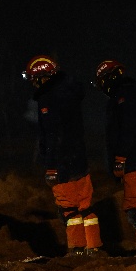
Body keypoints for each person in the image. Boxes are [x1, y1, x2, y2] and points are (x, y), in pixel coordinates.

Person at [22, 55, 105, 257]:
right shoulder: (70, 93)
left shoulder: (48, 98)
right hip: (79, 159)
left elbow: (52, 135)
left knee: (68, 209)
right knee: (86, 206)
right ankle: (93, 247)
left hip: (61, 162)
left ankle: (77, 249)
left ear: (42, 77)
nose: (33, 83)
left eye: (34, 78)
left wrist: (51, 167)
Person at [94, 60, 136, 255]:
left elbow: (128, 128)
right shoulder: (131, 93)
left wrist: (121, 158)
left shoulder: (125, 96)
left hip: (135, 160)